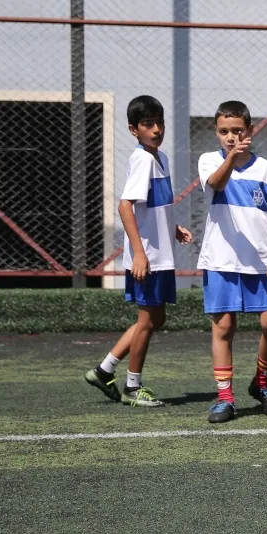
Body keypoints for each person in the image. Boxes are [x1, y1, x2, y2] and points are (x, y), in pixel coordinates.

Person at [85, 94, 193, 407]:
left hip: (160, 255)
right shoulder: (143, 159)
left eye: (159, 123)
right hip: (148, 258)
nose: (156, 129)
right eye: (148, 124)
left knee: (155, 318)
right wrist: (140, 253)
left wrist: (172, 228)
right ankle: (133, 387)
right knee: (148, 320)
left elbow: (152, 207)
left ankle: (104, 370)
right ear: (134, 129)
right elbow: (124, 206)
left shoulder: (161, 158)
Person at [197, 100, 267, 423]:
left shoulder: (266, 169)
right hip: (221, 260)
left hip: (261, 262)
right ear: (217, 132)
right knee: (224, 326)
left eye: (238, 130)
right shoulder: (210, 161)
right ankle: (224, 398)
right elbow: (216, 184)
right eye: (224, 131)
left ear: (250, 130)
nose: (231, 137)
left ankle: (261, 383)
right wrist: (232, 158)